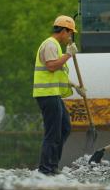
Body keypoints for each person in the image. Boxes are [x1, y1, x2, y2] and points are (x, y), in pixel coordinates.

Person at [32, 15, 84, 176]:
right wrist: (68, 55)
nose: (70, 36)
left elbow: (58, 73)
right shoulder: (50, 45)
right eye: (70, 33)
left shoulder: (55, 46)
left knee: (64, 128)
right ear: (63, 30)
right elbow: (52, 66)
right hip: (47, 94)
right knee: (52, 132)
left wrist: (73, 85)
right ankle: (46, 169)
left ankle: (52, 165)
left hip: (53, 94)